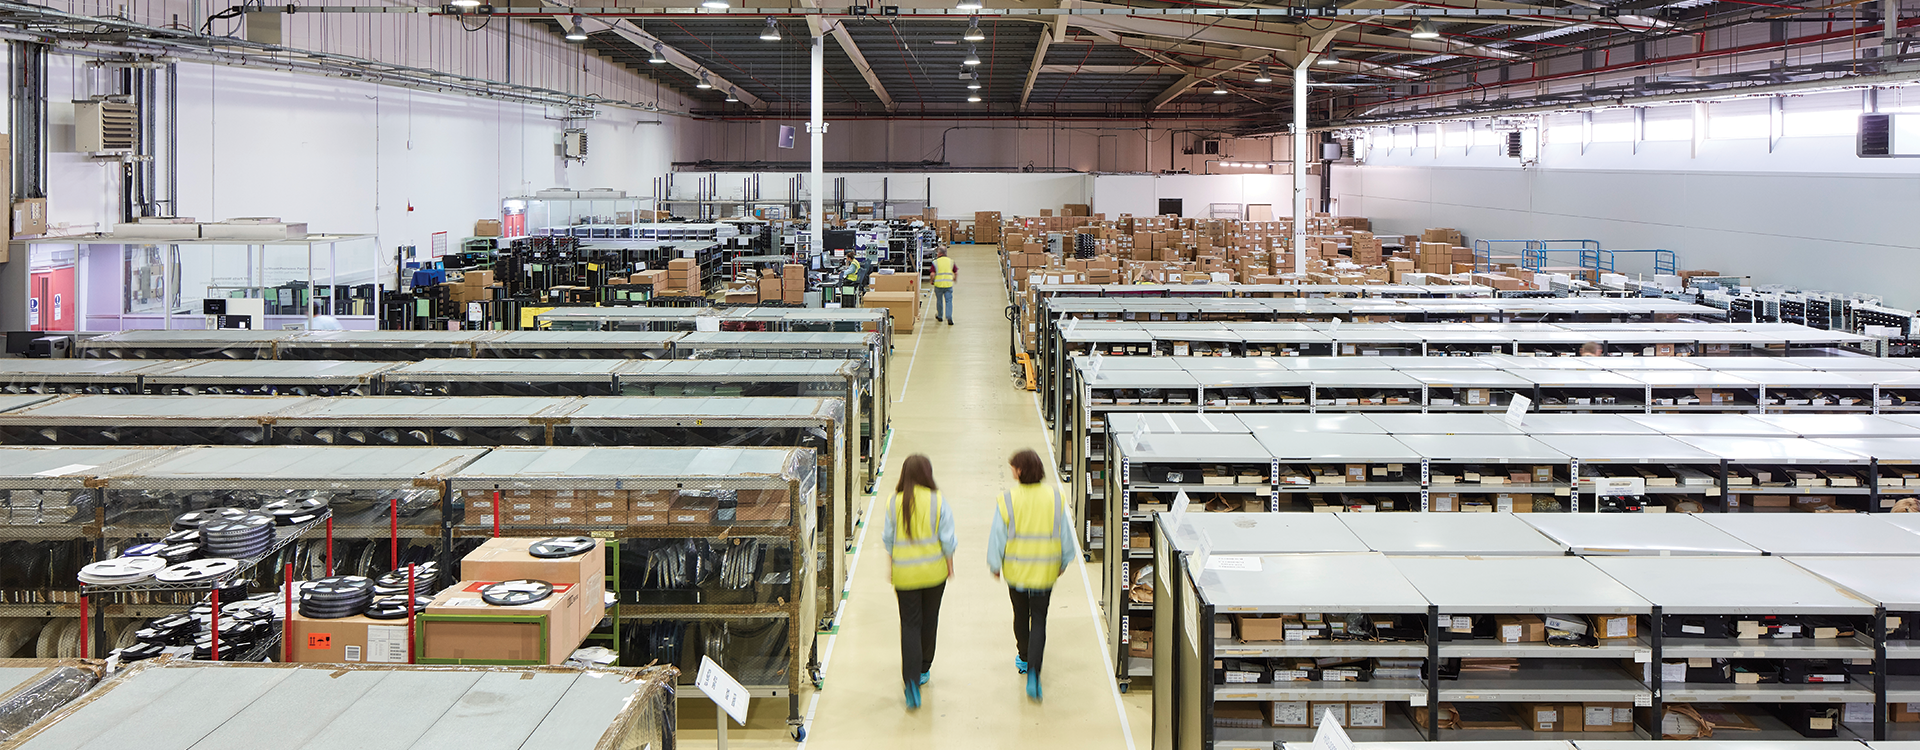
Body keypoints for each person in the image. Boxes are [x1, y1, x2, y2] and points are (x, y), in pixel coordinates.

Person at [988, 448, 1074, 702]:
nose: (1011, 471)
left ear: (1021, 470)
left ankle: (1024, 657)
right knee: (1039, 619)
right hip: (1045, 571)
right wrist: (1065, 560)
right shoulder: (1055, 497)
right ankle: (1034, 673)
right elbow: (1065, 534)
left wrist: (995, 564)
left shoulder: (1007, 500)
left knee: (1020, 614)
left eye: (1013, 467)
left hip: (1016, 570)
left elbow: (997, 536)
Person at [884, 454, 956, 710]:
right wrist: (949, 564)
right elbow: (947, 538)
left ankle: (911, 682)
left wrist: (891, 566)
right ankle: (925, 668)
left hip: (905, 575)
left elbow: (888, 540)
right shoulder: (938, 501)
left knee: (910, 625)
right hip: (934, 574)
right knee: (929, 620)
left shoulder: (895, 502)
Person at [932, 249, 957, 325]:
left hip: (938, 285)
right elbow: (955, 272)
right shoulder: (951, 261)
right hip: (948, 285)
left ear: (939, 253)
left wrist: (932, 281)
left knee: (939, 300)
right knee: (948, 301)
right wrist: (954, 278)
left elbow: (932, 274)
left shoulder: (935, 262)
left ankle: (940, 316)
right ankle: (949, 317)